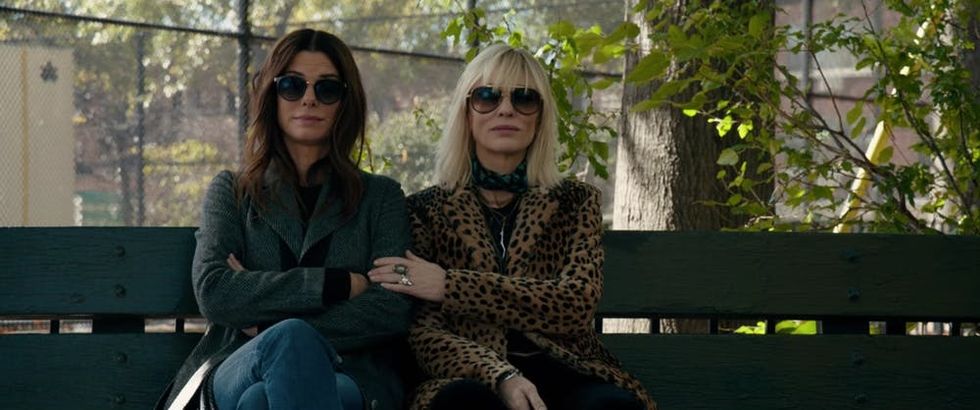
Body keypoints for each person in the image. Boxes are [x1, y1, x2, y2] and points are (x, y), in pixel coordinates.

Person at [368, 43, 656, 410]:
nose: (506, 109)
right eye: (487, 96)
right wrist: (499, 375)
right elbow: (423, 332)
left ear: (540, 117)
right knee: (462, 403)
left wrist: (450, 286)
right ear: (466, 113)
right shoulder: (425, 210)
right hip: (469, 375)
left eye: (524, 98)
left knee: (611, 407)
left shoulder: (575, 202)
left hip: (564, 369)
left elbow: (576, 303)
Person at [157, 28, 414, 410]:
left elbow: (391, 307)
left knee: (263, 396)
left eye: (327, 88)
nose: (309, 99)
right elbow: (215, 290)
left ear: (345, 103)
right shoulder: (232, 192)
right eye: (292, 85)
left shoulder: (381, 198)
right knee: (283, 347)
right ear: (272, 96)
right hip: (239, 364)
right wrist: (337, 284)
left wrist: (265, 320)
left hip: (347, 372)